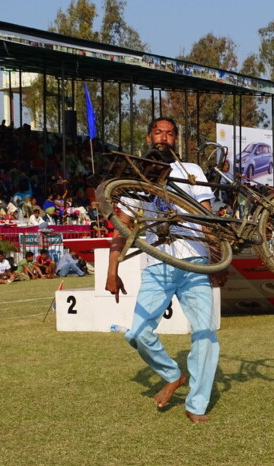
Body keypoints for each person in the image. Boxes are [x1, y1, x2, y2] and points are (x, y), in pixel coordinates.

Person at [106, 117, 227, 424]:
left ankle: (196, 405)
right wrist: (112, 270)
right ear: (149, 136)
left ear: (176, 139)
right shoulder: (135, 180)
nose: (164, 137)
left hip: (195, 263)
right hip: (157, 265)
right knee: (137, 333)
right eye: (158, 132)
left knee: (205, 334)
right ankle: (173, 375)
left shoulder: (191, 171)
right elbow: (122, 227)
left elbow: (207, 220)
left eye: (170, 133)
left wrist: (218, 259)